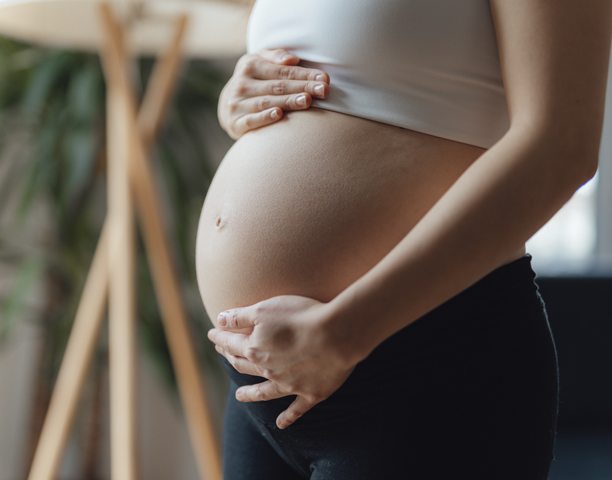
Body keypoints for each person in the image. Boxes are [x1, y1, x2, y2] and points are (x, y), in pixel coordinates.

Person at [196, 0, 612, 478]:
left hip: (426, 370)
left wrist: (344, 331)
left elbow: (561, 147)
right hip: (265, 379)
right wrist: (243, 98)